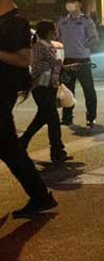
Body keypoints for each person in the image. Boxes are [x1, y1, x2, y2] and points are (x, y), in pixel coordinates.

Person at [0, 0, 57, 217]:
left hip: (3, 90)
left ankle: (41, 196)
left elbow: (25, 60)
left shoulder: (17, 22)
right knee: (8, 147)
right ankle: (40, 196)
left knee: (9, 146)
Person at [19, 21, 68, 163]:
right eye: (54, 30)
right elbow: (37, 66)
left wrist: (64, 67)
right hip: (41, 87)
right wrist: (57, 64)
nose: (56, 32)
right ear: (49, 32)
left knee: (42, 117)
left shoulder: (49, 45)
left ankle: (22, 142)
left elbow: (53, 65)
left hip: (50, 86)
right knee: (53, 119)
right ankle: (57, 151)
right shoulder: (39, 46)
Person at [57, 0, 98, 127]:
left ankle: (91, 117)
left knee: (89, 90)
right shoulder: (62, 22)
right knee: (67, 90)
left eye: (72, 2)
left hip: (83, 60)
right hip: (68, 60)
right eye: (68, 2)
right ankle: (67, 117)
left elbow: (94, 38)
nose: (69, 4)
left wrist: (84, 46)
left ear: (79, 4)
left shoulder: (86, 21)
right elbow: (58, 39)